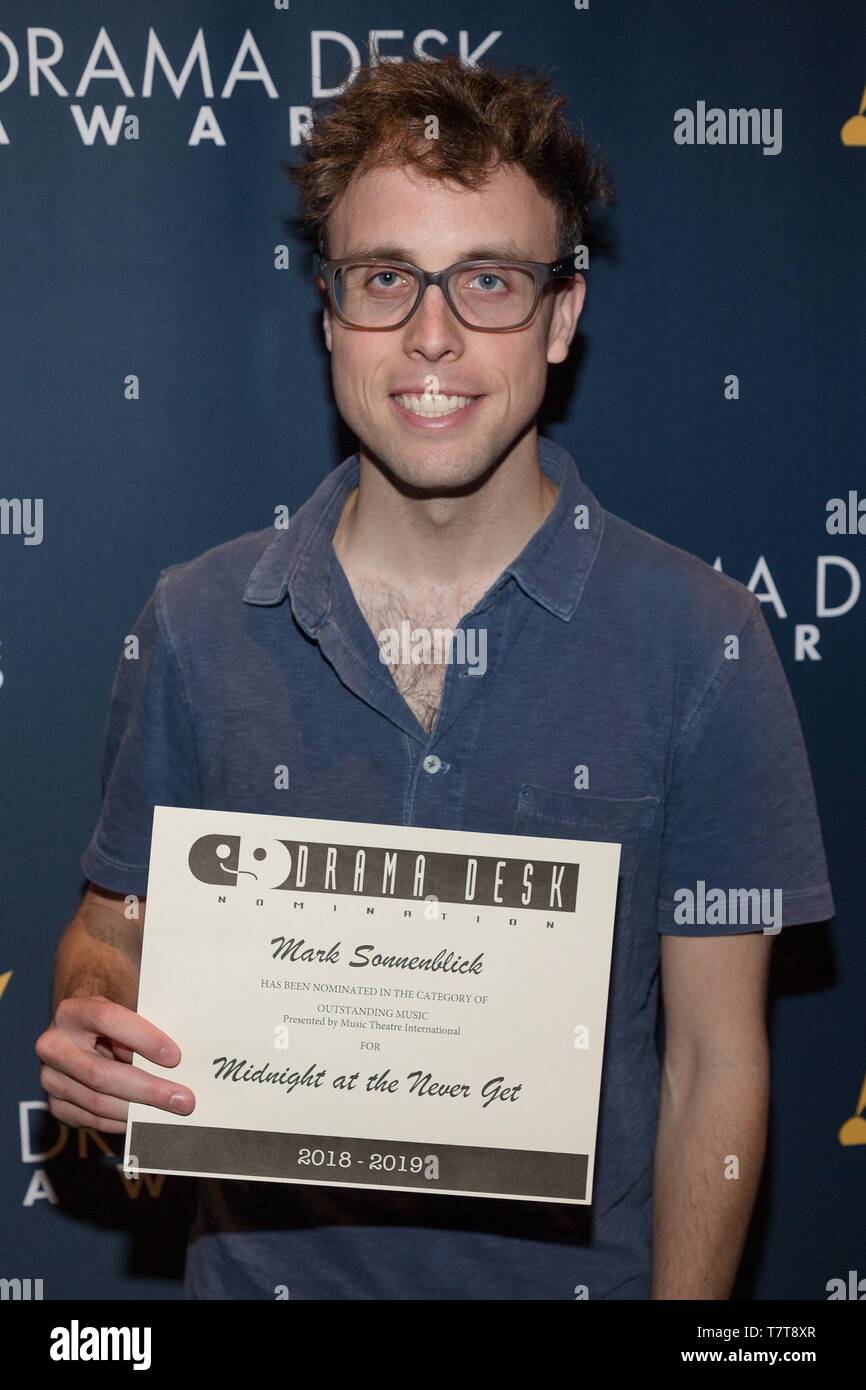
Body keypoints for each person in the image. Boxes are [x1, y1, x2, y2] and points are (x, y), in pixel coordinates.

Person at [36, 55, 834, 1300]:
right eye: (384, 277)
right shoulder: (195, 620)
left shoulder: (701, 640)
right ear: (329, 312)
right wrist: (94, 1013)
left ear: (562, 316)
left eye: (488, 280)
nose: (431, 332)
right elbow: (110, 927)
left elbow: (713, 1066)